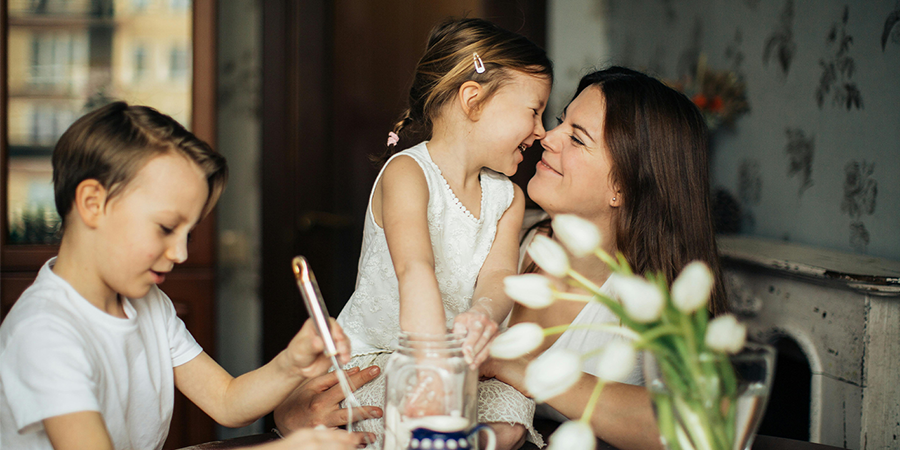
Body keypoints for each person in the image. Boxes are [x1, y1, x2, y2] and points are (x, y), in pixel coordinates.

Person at [0, 102, 364, 450]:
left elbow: (226, 400)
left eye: (187, 235)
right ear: (93, 204)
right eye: (165, 227)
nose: (181, 253)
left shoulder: (148, 303)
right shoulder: (44, 332)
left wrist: (290, 364)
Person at [333, 17, 552, 450]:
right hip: (380, 359)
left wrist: (483, 315)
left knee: (513, 411)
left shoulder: (507, 197)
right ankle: (448, 434)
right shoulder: (408, 173)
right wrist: (431, 370)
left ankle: (460, 436)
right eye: (534, 111)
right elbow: (415, 269)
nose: (542, 131)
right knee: (410, 412)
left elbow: (498, 277)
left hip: (457, 365)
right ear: (473, 100)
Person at [481, 66, 728, 450]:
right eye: (561, 121)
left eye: (577, 138)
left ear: (622, 186)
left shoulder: (652, 301)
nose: (547, 136)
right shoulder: (499, 234)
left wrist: (531, 371)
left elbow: (704, 423)